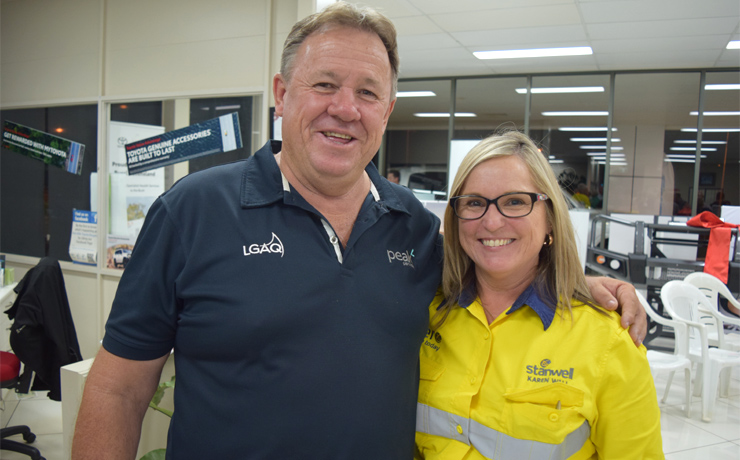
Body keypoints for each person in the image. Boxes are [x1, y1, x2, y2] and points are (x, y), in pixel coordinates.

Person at [72, 3, 646, 459]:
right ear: (282, 94)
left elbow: (495, 262)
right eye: (325, 84)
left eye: (368, 92)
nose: (345, 109)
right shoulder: (193, 211)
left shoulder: (416, 229)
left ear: (386, 111)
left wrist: (580, 284)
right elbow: (118, 388)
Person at [415, 131, 663, 459]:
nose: (492, 222)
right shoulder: (424, 310)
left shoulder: (609, 342)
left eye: (515, 202)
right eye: (474, 203)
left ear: (550, 219)